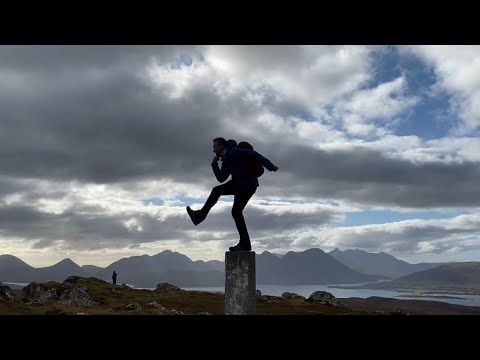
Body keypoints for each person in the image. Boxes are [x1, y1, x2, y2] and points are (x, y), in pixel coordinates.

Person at [186, 137, 279, 251]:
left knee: (236, 211)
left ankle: (245, 244)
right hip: (239, 184)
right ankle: (199, 216)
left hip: (247, 184)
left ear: (222, 146)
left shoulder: (235, 151)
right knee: (221, 195)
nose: (213, 150)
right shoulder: (226, 160)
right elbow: (221, 178)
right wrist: (214, 164)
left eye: (215, 147)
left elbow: (255, 155)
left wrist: (271, 167)